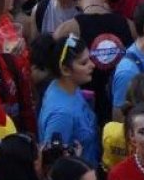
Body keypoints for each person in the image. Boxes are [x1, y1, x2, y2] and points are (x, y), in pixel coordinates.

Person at [36, 32, 100, 166]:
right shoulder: (61, 115)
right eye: (84, 63)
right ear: (65, 70)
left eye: (89, 59)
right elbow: (54, 165)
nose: (92, 65)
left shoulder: (64, 86)